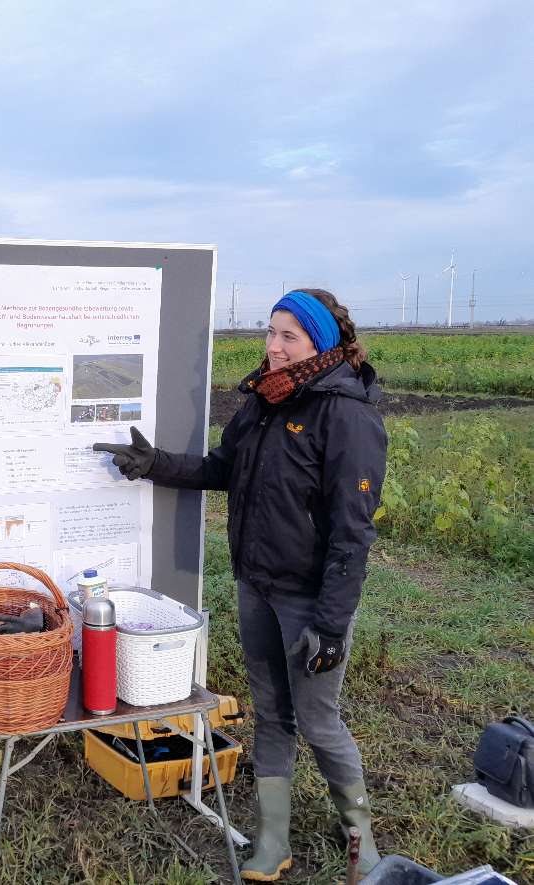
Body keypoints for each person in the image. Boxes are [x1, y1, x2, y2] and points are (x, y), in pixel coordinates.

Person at [93, 289, 387, 881]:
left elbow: (352, 534)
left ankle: (362, 841)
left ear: (319, 344)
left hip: (309, 598)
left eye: (289, 337)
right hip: (255, 584)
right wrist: (158, 465)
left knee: (318, 719)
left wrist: (330, 626)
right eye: (270, 332)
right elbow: (225, 468)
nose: (273, 348)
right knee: (271, 715)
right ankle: (272, 838)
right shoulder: (263, 401)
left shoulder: (347, 414)